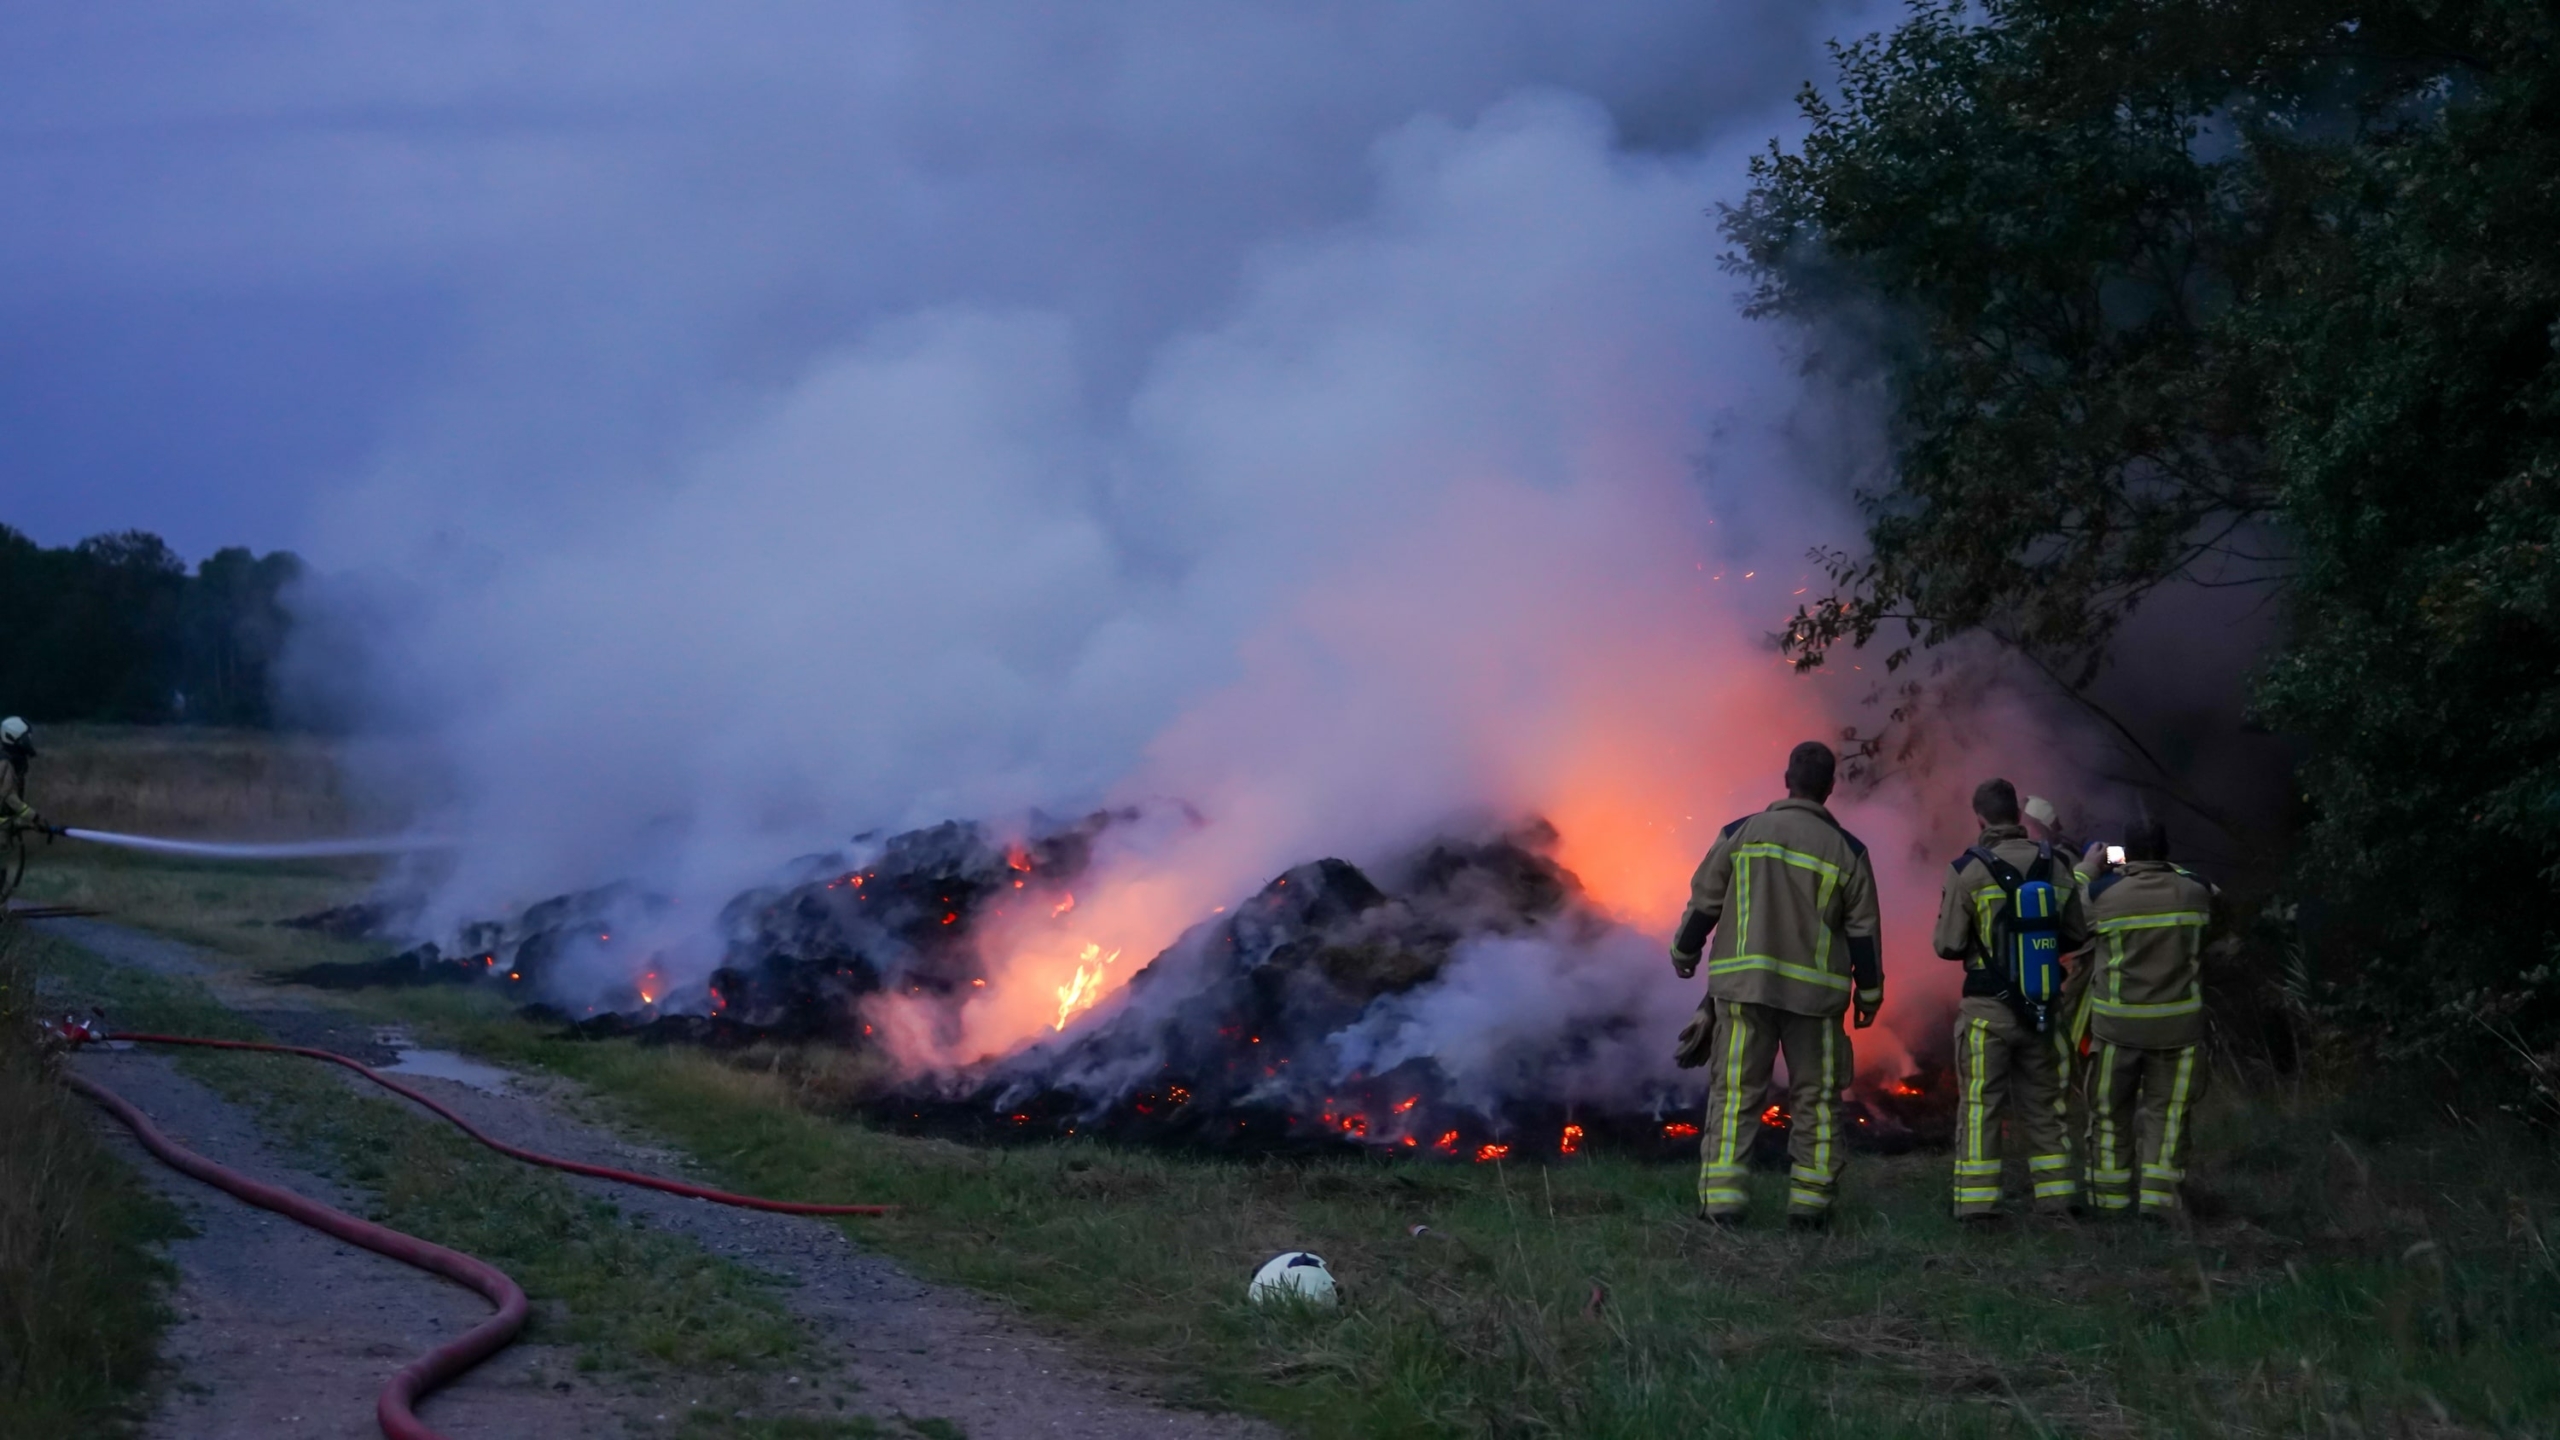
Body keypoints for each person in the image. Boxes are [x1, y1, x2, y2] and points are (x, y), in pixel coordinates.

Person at [1668, 740, 1883, 1229]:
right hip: (1816, 999)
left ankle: (1722, 1202)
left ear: (1787, 779)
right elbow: (1864, 933)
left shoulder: (1741, 833)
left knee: (1736, 1093)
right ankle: (1810, 1205)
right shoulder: (1848, 851)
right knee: (1817, 1097)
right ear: (1829, 788)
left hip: (1745, 993)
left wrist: (1684, 952)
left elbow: (1705, 902)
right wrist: (1869, 995)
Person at [1932, 778, 2092, 1222]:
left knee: (1982, 1106)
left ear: (1980, 818)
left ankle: (1978, 1206)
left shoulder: (1967, 869)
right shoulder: (2057, 865)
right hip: (2044, 1010)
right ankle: (2060, 1201)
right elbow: (2078, 934)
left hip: (1987, 1016)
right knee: (2048, 1106)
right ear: (2020, 817)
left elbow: (1947, 945)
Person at [2080, 816, 2219, 1218]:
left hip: (2116, 1029)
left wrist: (2090, 865)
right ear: (2167, 852)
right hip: (2178, 1030)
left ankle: (2110, 1204)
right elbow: (2212, 888)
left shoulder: (2103, 895)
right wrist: (2169, 868)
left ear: (2127, 854)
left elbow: (2069, 905)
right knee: (2169, 1116)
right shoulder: (2194, 893)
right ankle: (2159, 1207)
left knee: (2109, 1115)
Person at [0, 718, 37, 835]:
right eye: (26, 738)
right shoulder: (5, 763)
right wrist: (34, 817)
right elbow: (8, 797)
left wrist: (17, 821)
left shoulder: (13, 760)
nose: (29, 742)